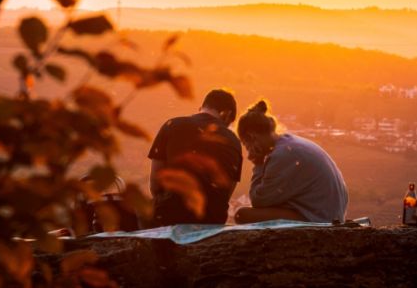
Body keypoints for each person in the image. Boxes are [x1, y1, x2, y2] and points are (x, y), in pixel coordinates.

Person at [235, 100, 348, 224]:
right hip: (328, 213)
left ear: (252, 137)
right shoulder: (289, 144)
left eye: (246, 145)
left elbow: (258, 201)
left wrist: (258, 163)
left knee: (242, 215)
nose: (248, 151)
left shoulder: (282, 155)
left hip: (320, 219)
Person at [148, 89, 243, 226]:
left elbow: (155, 186)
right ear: (227, 116)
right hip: (212, 221)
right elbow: (224, 195)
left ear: (201, 108)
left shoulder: (172, 125)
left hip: (170, 216)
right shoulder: (234, 141)